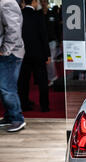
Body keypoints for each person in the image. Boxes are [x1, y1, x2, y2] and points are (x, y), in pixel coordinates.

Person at [18, 0, 51, 113]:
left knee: (23, 81)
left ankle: (24, 104)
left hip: (23, 53)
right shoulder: (38, 15)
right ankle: (44, 106)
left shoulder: (19, 15)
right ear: (33, 2)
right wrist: (47, 54)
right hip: (38, 53)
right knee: (42, 81)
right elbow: (43, 35)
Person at [0, 0, 26, 132]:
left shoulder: (7, 3)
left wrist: (5, 49)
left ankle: (17, 119)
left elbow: (13, 29)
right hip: (7, 52)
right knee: (4, 87)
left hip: (10, 53)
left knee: (7, 88)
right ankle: (10, 116)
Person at [40, 0, 61, 86]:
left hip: (51, 41)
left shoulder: (53, 14)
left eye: (45, 1)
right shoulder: (37, 14)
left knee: (50, 60)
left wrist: (60, 41)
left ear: (47, 3)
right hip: (40, 41)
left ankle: (53, 77)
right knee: (42, 60)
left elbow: (58, 28)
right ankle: (43, 78)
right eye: (42, 1)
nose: (43, 3)